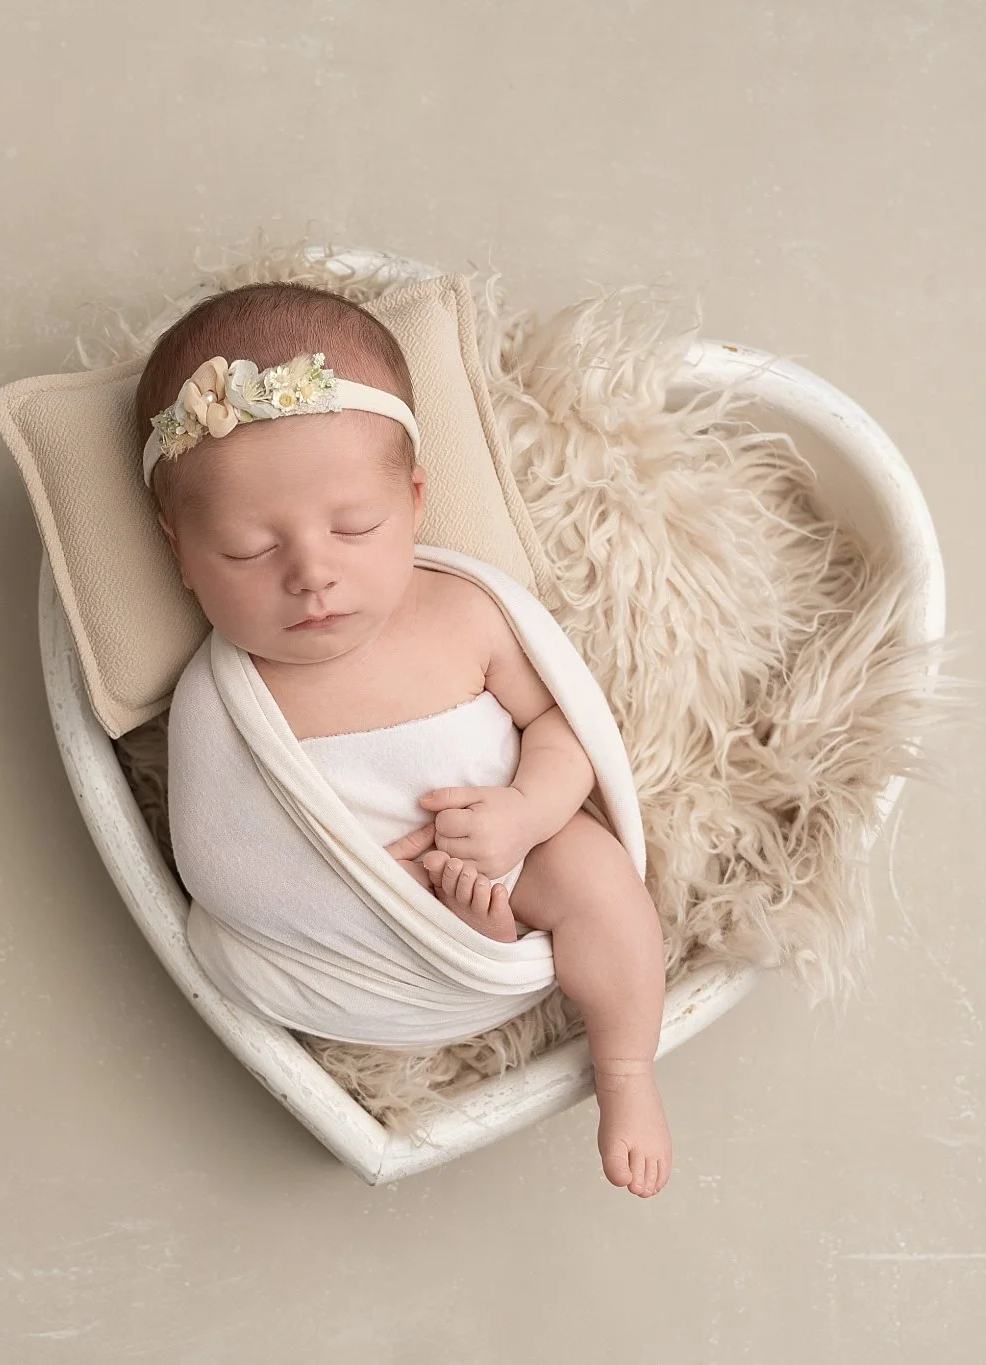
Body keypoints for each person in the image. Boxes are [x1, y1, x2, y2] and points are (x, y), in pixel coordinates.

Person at [139, 282, 671, 1198]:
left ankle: (625, 1071)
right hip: (372, 928)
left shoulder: (463, 613)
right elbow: (227, 862)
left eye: (356, 527)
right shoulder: (223, 701)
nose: (312, 573)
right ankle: (476, 936)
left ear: (416, 500)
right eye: (247, 551)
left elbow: (559, 726)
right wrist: (407, 905)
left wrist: (522, 813)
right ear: (180, 552)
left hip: (518, 847)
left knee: (603, 886)